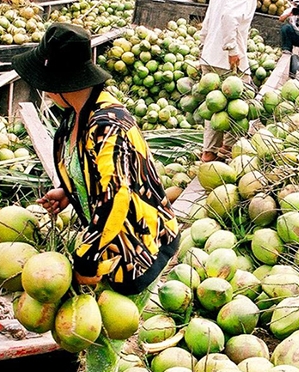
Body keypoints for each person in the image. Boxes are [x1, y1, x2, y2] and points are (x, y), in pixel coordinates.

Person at [11, 23, 180, 370]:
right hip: (108, 242)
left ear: (57, 81)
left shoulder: (108, 123)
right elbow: (95, 176)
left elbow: (116, 197)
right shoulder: (76, 114)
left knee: (102, 343)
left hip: (137, 245)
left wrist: (87, 260)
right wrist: (69, 193)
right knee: (97, 338)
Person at [198, 0, 264, 162]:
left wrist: (203, 45)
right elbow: (229, 17)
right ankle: (227, 150)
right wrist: (232, 48)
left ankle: (209, 152)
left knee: (215, 106)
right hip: (228, 58)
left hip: (210, 55)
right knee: (240, 105)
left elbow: (208, 19)